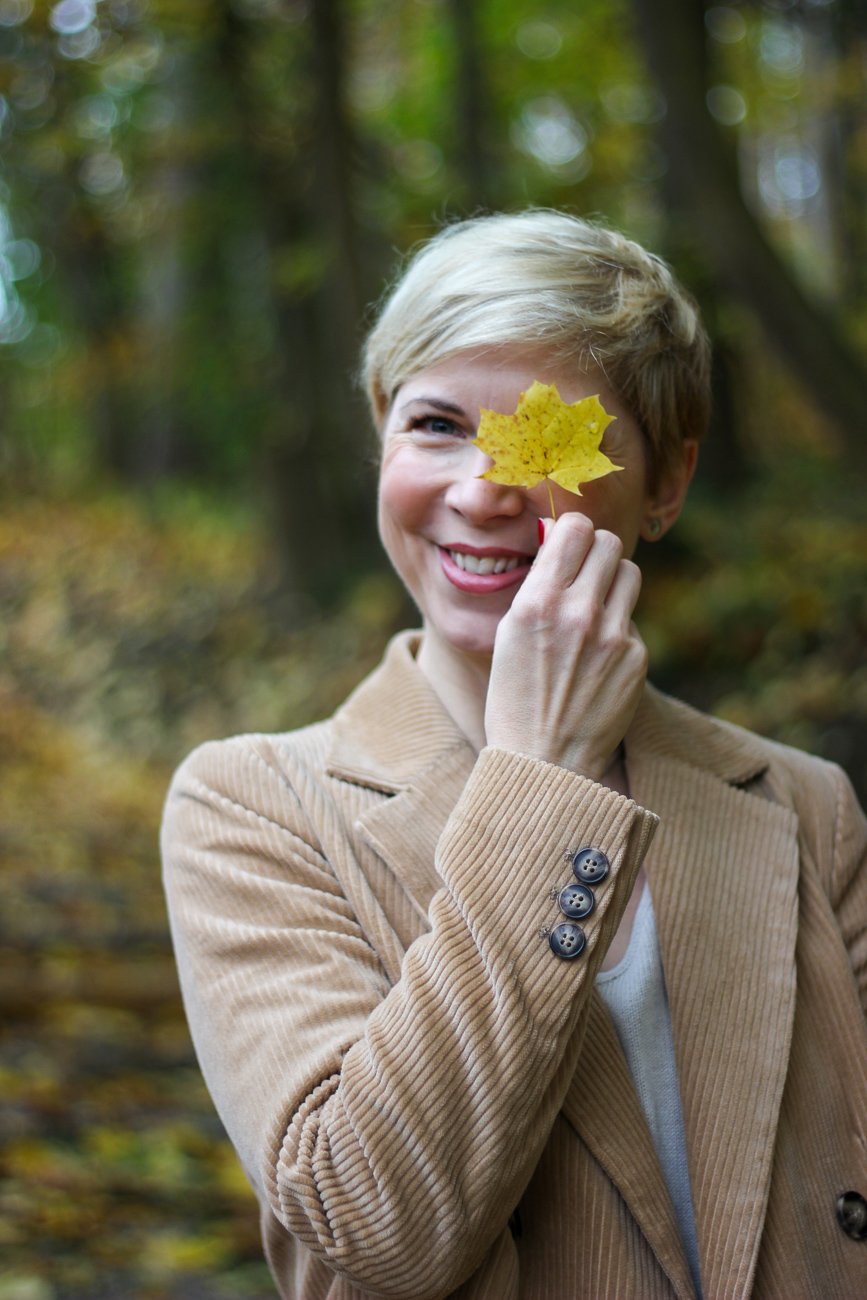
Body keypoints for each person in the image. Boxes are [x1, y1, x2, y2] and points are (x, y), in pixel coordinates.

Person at [161, 210, 867, 1300]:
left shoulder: (808, 806)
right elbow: (376, 1228)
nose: (485, 490)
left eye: (547, 435)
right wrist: (541, 781)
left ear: (667, 484)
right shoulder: (253, 806)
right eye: (435, 423)